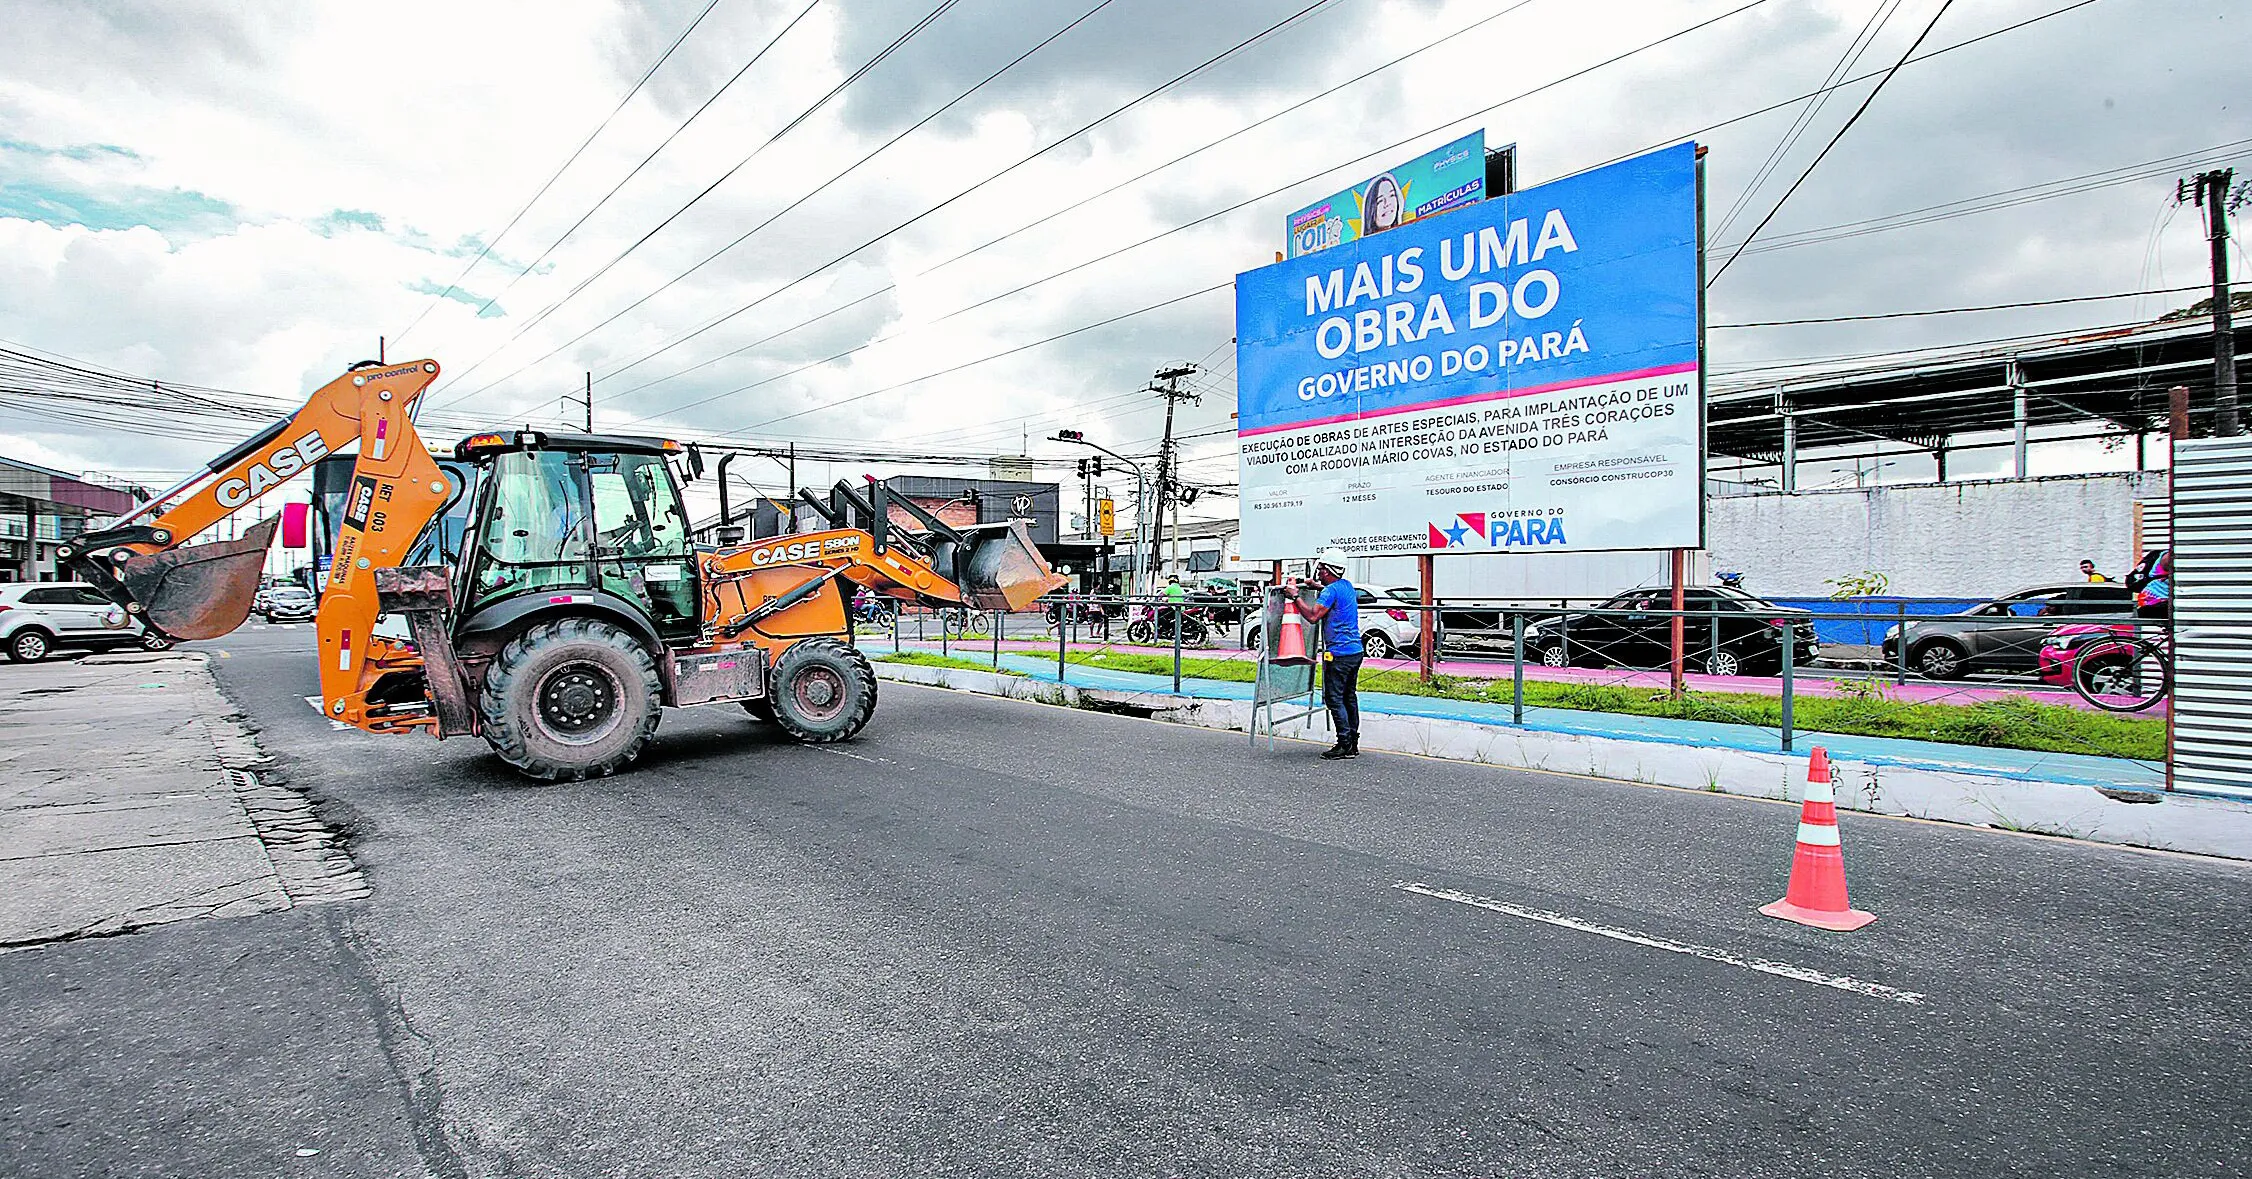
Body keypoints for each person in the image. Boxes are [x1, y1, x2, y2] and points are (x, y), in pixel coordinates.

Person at [1293, 548, 1363, 760]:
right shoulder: (1346, 586)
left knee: (1334, 699)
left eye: (1321, 568)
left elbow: (1313, 616)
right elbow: (1331, 591)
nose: (1319, 571)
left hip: (1338, 654)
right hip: (1355, 652)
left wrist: (1295, 596)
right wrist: (1317, 586)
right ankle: (1353, 743)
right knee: (1349, 697)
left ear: (1328, 570)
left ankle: (1343, 744)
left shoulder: (1329, 592)